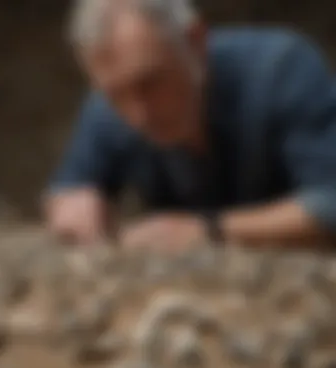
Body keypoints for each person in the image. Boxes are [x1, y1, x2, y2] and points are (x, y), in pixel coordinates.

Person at [45, 0, 336, 252]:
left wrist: (209, 231)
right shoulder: (108, 108)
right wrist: (73, 207)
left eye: (151, 83)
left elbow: (330, 202)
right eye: (114, 94)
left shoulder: (282, 71)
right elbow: (69, 190)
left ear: (195, 41)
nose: (138, 114)